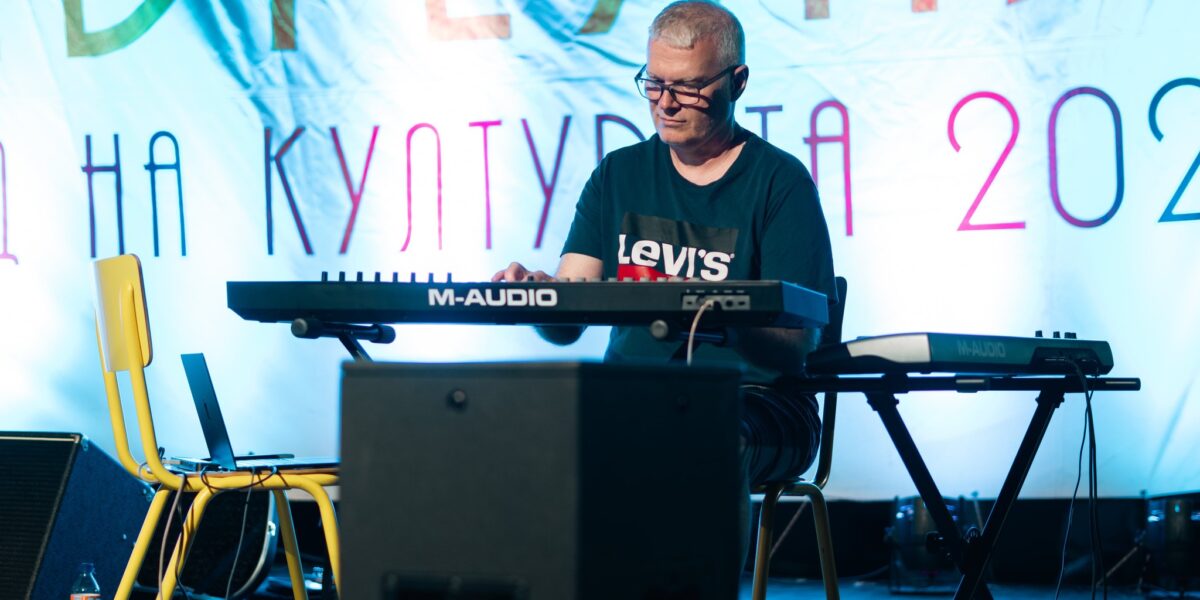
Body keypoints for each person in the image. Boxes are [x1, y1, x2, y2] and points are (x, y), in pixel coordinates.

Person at [492, 0, 837, 568]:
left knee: (704, 433)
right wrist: (536, 295)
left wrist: (714, 313)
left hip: (759, 403)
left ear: (737, 82)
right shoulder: (618, 174)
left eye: (689, 87)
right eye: (653, 83)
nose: (665, 103)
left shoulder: (781, 183)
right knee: (519, 425)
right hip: (632, 392)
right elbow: (566, 322)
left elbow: (796, 348)